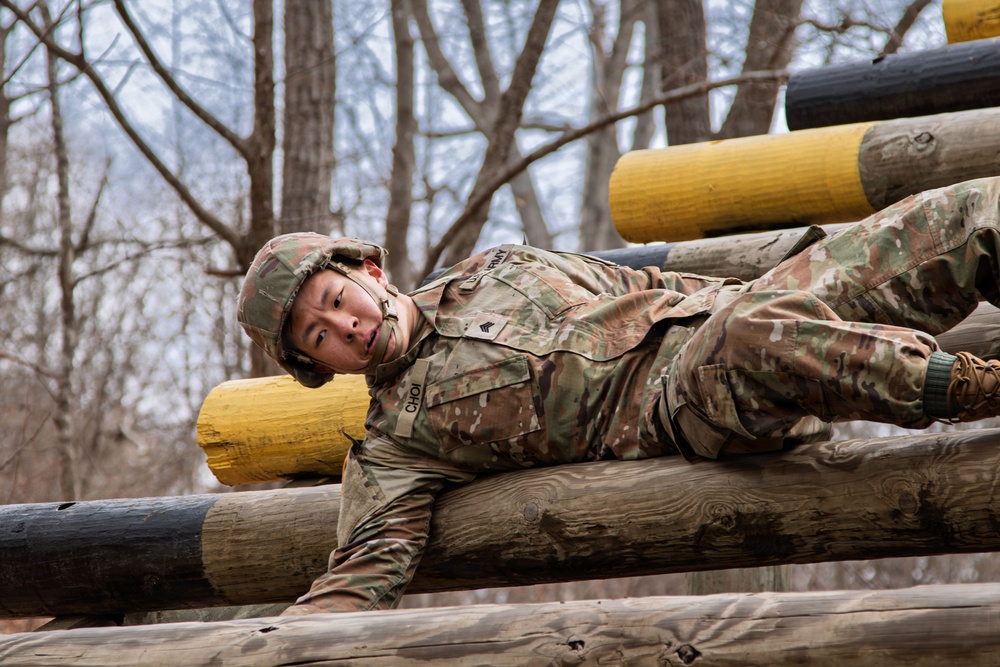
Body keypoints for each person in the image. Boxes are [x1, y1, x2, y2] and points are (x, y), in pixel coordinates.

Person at [237, 176, 1000, 615]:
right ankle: (971, 386)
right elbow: (362, 572)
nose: (344, 326)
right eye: (317, 337)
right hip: (688, 400)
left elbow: (648, 286)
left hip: (752, 315)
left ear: (368, 271)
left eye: (336, 298)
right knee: (747, 333)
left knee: (960, 215)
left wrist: (793, 284)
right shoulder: (395, 440)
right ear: (321, 365)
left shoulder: (499, 266)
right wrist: (259, 647)